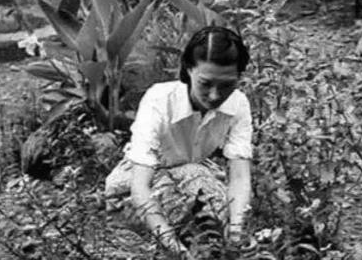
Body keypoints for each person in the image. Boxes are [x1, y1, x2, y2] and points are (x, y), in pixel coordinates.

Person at [105, 25, 253, 259]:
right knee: (190, 220)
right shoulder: (159, 99)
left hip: (193, 174)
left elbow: (240, 176)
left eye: (226, 85)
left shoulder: (238, 104)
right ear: (188, 70)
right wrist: (174, 249)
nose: (215, 95)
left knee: (218, 211)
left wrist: (236, 234)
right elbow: (140, 186)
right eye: (205, 83)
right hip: (143, 179)